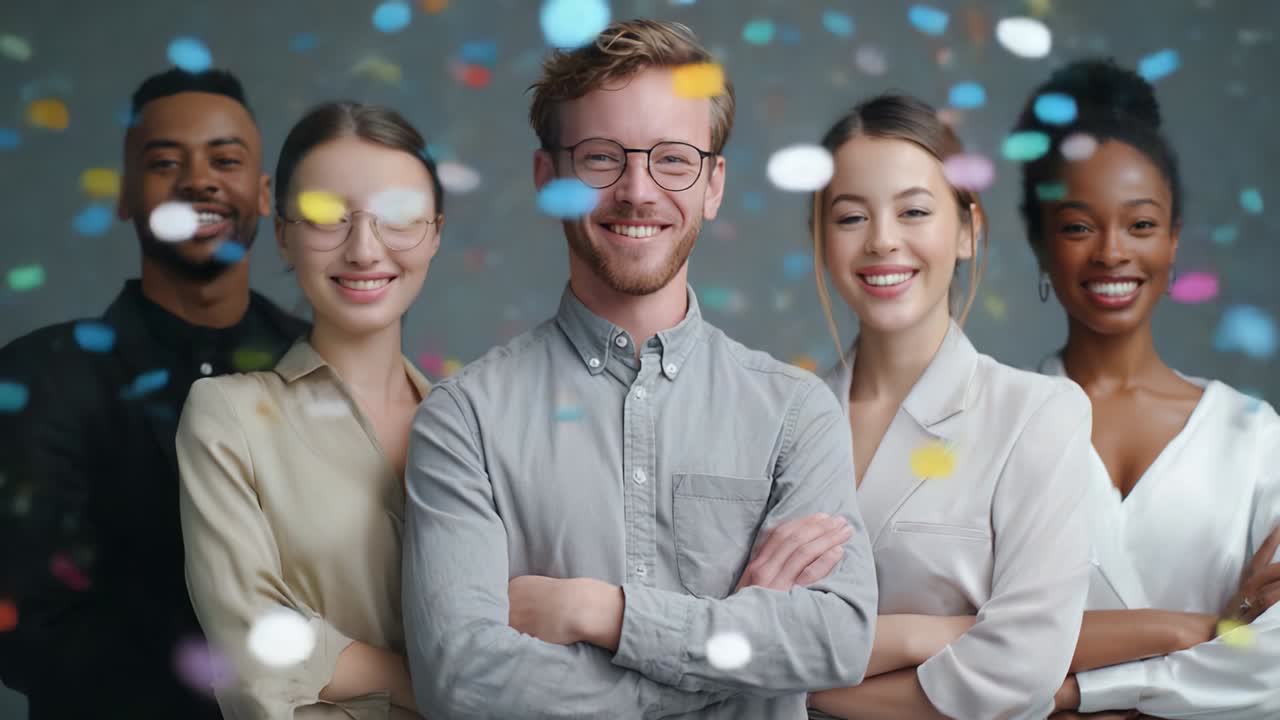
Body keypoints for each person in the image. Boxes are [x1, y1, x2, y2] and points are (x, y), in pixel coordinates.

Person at [401, 19, 877, 719]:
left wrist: (606, 614)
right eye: (600, 158)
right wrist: (737, 660)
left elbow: (836, 642)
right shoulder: (463, 418)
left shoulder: (795, 413)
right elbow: (464, 681)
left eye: (674, 160)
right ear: (548, 178)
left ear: (714, 185)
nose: (637, 190)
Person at [0, 68, 306, 719]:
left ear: (262, 194)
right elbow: (25, 627)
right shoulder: (37, 379)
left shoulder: (320, 368)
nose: (199, 179)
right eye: (166, 161)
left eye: (225, 159)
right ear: (127, 194)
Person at [804, 94, 1093, 720]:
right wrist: (924, 635)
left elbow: (1022, 667)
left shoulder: (1038, 415)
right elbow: (726, 635)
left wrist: (797, 686)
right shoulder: (774, 419)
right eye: (851, 217)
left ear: (967, 229)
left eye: (913, 211)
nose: (883, 241)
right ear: (820, 237)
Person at [1012, 59, 1280, 719]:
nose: (1111, 253)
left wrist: (1078, 695)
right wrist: (1226, 626)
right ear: (1042, 245)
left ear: (1174, 239)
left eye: (1139, 224)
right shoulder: (994, 425)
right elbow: (964, 644)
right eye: (1078, 227)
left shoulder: (1255, 435)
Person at [176, 101, 442, 718]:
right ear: (283, 233)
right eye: (326, 217)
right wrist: (424, 684)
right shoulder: (228, 417)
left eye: (399, 217)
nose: (364, 249)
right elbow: (252, 656)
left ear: (435, 232)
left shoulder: (478, 422)